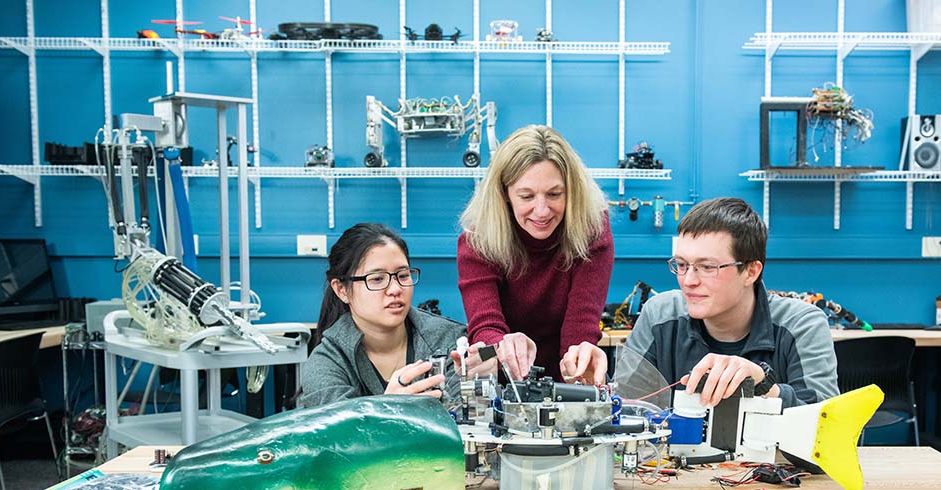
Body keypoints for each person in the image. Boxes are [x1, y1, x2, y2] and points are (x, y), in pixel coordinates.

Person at [559, 197, 839, 408]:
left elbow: (832, 428)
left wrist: (765, 387)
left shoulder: (802, 324)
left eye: (707, 267)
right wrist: (593, 388)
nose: (688, 281)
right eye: (681, 264)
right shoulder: (660, 315)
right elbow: (629, 411)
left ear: (751, 271)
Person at [457, 124, 614, 380]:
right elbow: (485, 328)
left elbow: (580, 331)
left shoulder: (592, 231)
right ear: (504, 194)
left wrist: (579, 372)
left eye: (554, 194)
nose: (541, 211)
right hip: (504, 379)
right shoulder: (478, 239)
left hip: (565, 379)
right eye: (526, 196)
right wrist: (501, 346)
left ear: (571, 191)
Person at [298, 223, 472, 408]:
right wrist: (385, 409)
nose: (396, 289)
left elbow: (467, 418)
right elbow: (342, 433)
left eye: (403, 275)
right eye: (377, 279)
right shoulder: (326, 365)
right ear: (342, 290)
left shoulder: (448, 340)